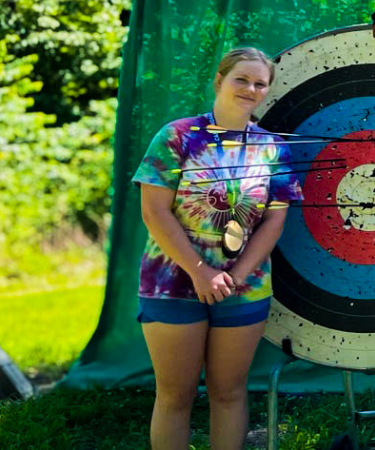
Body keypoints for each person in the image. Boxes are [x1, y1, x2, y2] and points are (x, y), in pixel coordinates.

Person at [132, 47, 300, 450]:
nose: (251, 89)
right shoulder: (176, 136)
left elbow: (275, 220)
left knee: (229, 393)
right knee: (175, 397)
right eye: (241, 79)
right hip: (172, 283)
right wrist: (200, 271)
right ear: (219, 80)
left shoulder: (273, 147)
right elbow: (154, 212)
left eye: (260, 84)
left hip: (244, 287)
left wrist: (235, 276)